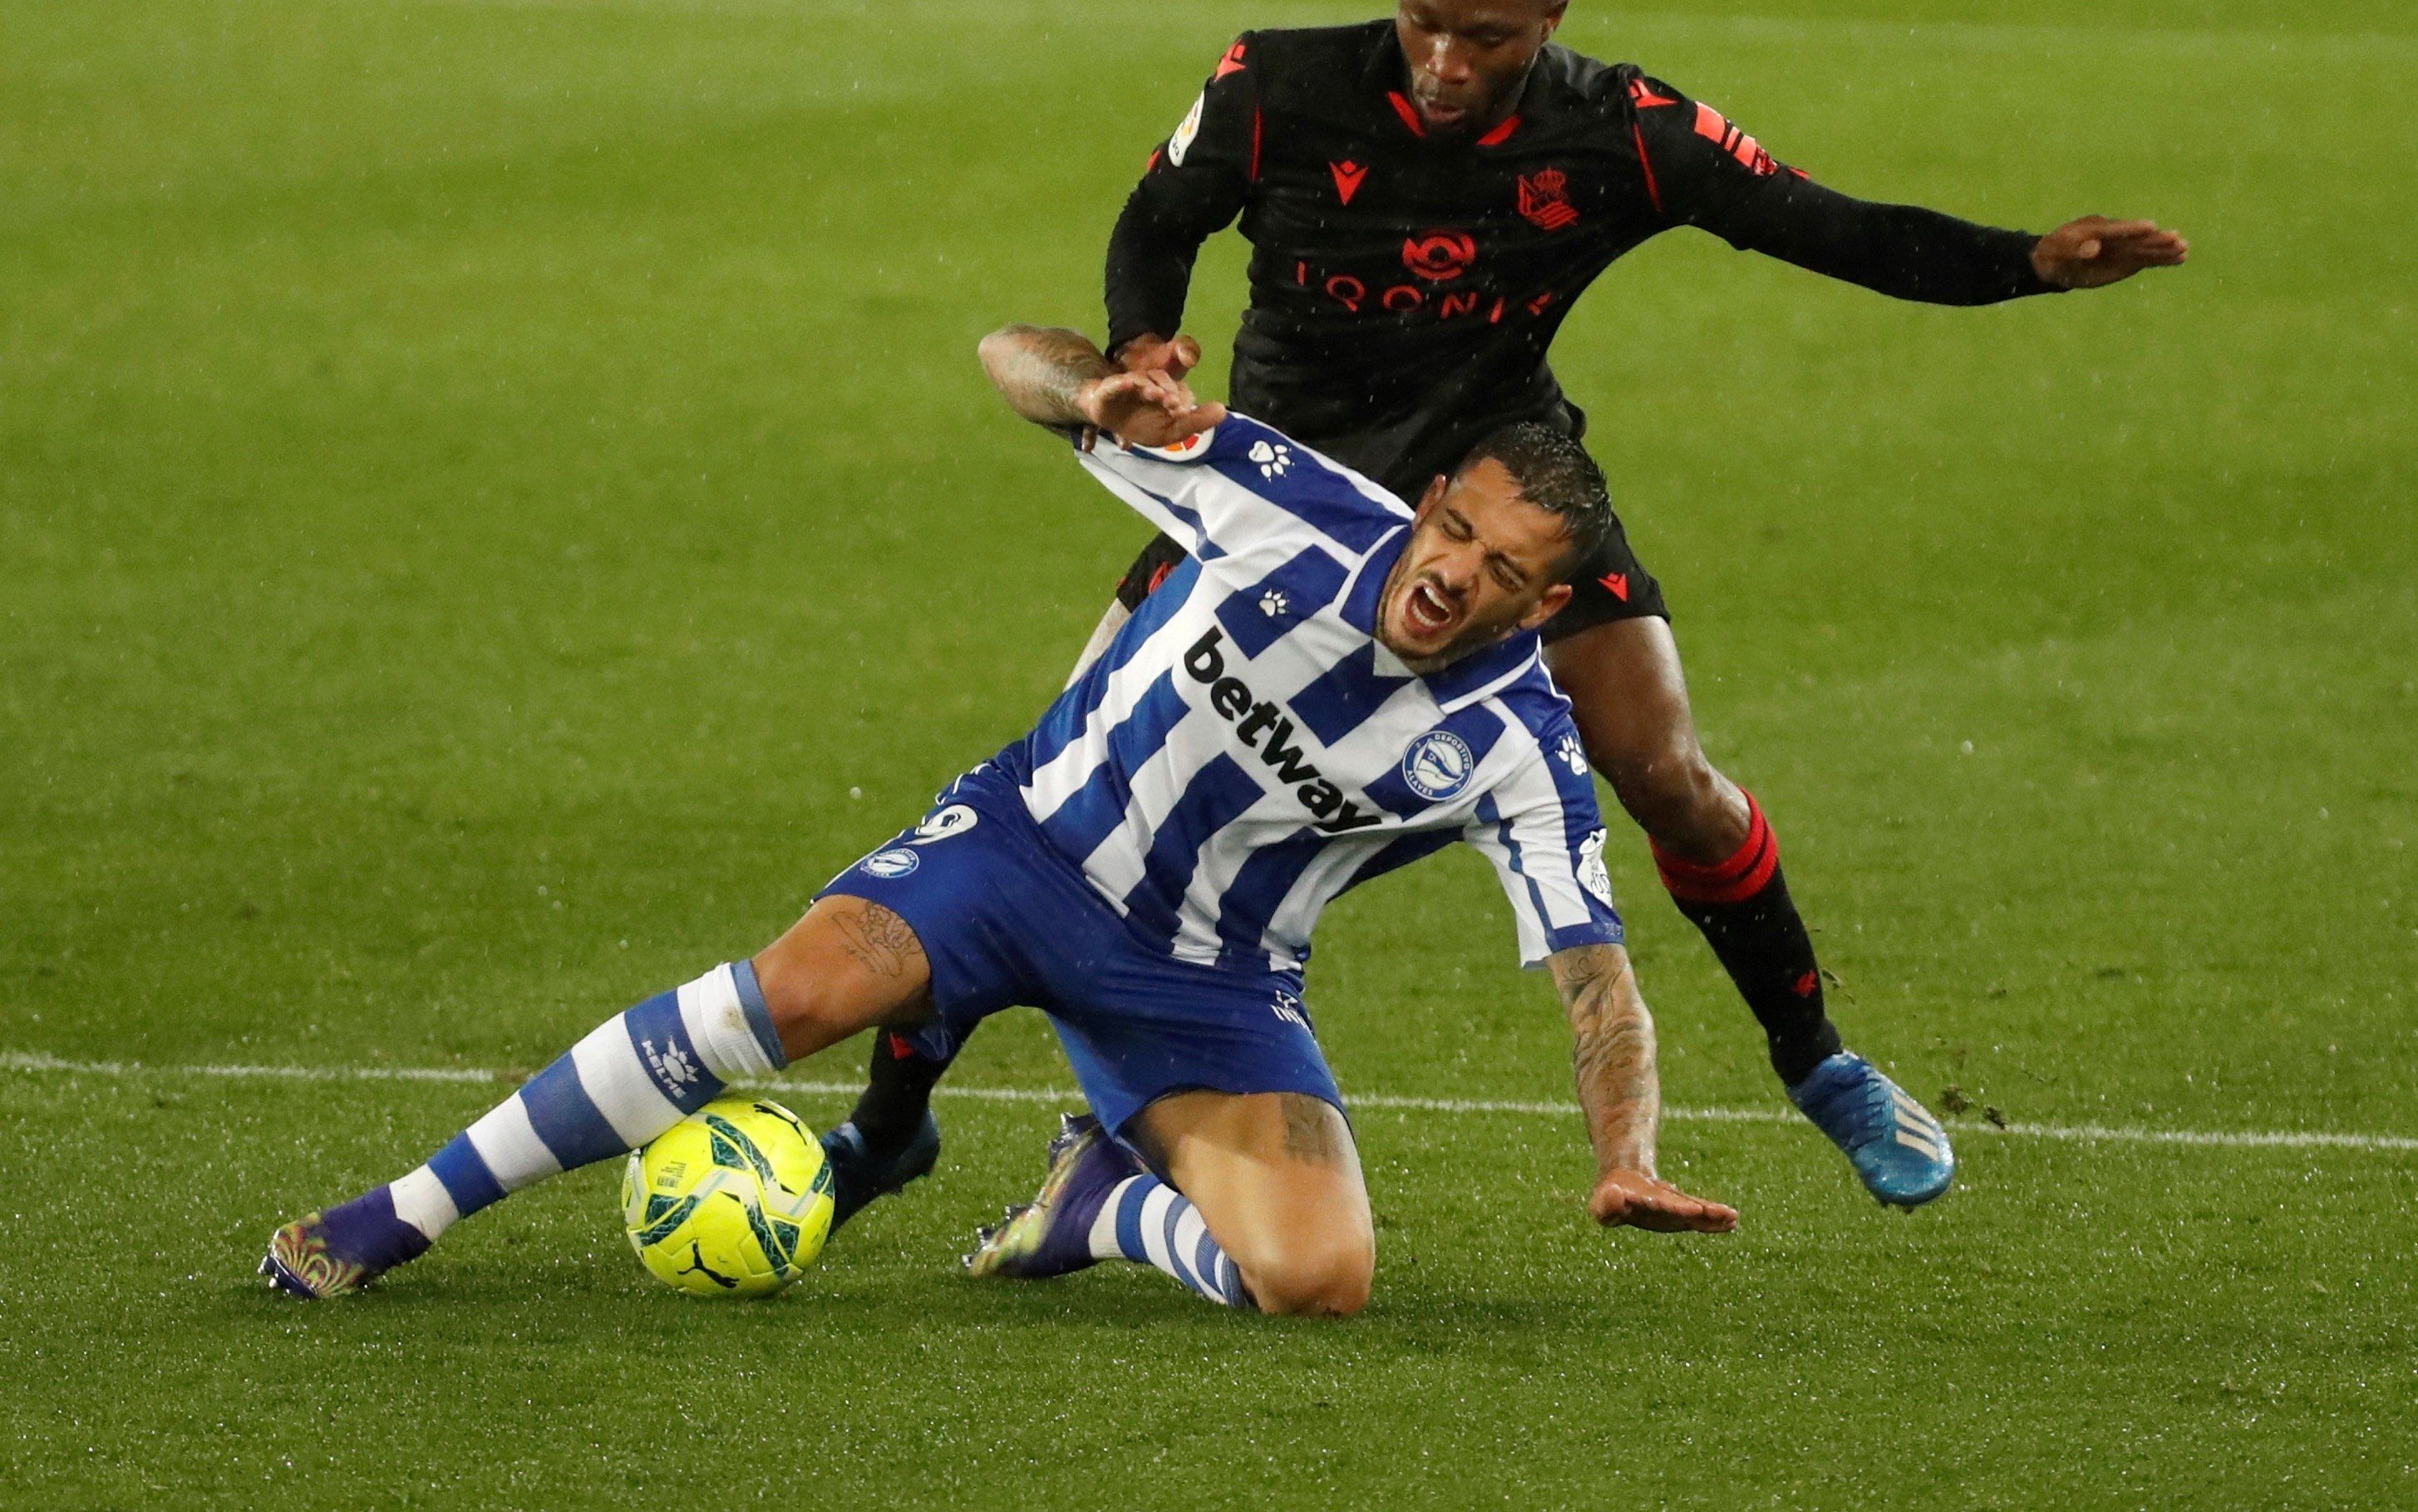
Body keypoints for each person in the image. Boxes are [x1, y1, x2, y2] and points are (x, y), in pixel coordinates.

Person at [821, 0, 2188, 1222]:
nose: (1444, 60)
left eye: (1485, 38)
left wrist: (2029, 263)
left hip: (1502, 503)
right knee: (1057, 816)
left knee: (1667, 770)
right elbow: (1155, 222)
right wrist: (1138, 342)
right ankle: (891, 1129)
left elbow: (1827, 228)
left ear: (1549, 22)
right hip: (1278, 512)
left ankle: (1816, 1062)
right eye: (1424, 21)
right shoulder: (1277, 83)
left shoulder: (1622, 129)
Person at [262, 327, 1736, 1313]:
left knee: (1318, 1279)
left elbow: (1594, 975)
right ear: (1426, 505)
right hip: (1021, 852)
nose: (1452, 573)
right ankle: (404, 1212)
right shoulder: (1283, 502)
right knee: (791, 994)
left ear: (1543, 607)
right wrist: (1091, 394)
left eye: (1499, 570)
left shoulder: (1517, 749)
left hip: (1205, 986)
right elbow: (1006, 358)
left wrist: (1623, 1151)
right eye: (1454, 530)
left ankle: (1106, 1203)